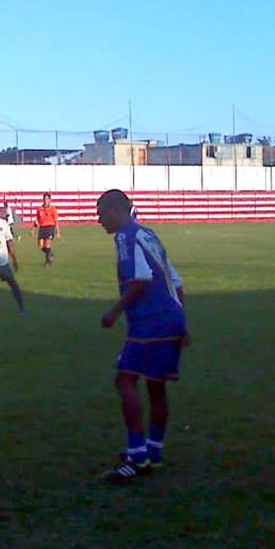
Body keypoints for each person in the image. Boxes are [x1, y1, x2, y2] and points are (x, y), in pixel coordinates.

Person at [96, 189, 189, 484]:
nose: (98, 220)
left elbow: (141, 280)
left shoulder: (125, 236)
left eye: (101, 213)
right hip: (170, 317)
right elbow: (175, 280)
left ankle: (137, 458)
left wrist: (114, 312)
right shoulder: (149, 234)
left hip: (151, 322)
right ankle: (154, 451)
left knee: (125, 380)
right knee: (155, 386)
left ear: (115, 210)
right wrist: (182, 320)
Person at [32, 192, 60, 265]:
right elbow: (37, 219)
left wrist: (57, 231)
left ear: (50, 200)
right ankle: (50, 253)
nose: (45, 200)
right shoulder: (39, 209)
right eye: (44, 199)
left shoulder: (53, 209)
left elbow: (56, 221)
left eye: (47, 199)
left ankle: (47, 261)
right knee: (40, 246)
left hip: (50, 227)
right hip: (42, 228)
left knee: (47, 245)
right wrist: (33, 229)